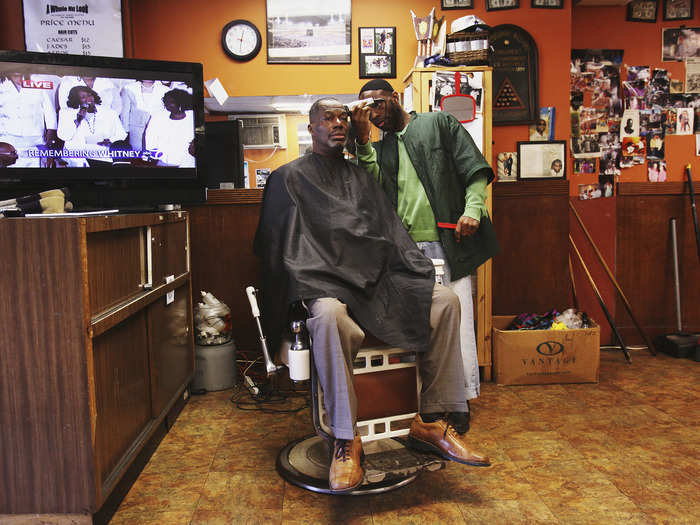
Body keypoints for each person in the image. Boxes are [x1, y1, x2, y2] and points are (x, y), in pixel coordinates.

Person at [254, 98, 490, 494]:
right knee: (327, 316)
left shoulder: (361, 178)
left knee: (445, 301)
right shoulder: (288, 177)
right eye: (327, 119)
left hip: (373, 281)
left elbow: (386, 234)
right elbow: (278, 246)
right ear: (310, 129)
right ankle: (346, 441)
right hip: (324, 285)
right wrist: (310, 281)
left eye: (342, 118)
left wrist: (402, 270)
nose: (337, 124)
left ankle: (430, 420)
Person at [351, 79, 498, 423]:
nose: (375, 115)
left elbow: (473, 167)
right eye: (366, 111)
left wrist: (473, 210)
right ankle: (426, 403)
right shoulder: (381, 147)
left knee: (456, 324)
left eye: (379, 104)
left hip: (449, 243)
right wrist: (362, 143)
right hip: (406, 250)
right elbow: (372, 187)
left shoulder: (438, 123)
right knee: (419, 326)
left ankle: (459, 402)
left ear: (396, 97)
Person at [57, 86, 127, 167]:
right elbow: (64, 136)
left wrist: (110, 141)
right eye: (83, 97)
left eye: (89, 95)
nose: (88, 99)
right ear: (76, 100)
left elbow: (122, 134)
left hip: (102, 157)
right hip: (76, 159)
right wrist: (78, 120)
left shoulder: (109, 113)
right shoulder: (66, 113)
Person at [0, 71, 57, 167]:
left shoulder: (38, 81)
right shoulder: (2, 83)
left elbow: (49, 109)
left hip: (34, 140)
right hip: (7, 140)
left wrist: (51, 131)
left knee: (33, 175)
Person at [143, 89, 195, 167]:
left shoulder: (192, 117)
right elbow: (150, 138)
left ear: (180, 102)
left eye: (171, 102)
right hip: (162, 161)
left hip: (187, 162)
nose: (167, 105)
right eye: (166, 102)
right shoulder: (158, 117)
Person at [120, 79, 169, 152]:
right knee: (137, 153)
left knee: (153, 152)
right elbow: (125, 111)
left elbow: (167, 112)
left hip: (157, 128)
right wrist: (125, 130)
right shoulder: (128, 88)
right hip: (136, 128)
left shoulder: (165, 90)